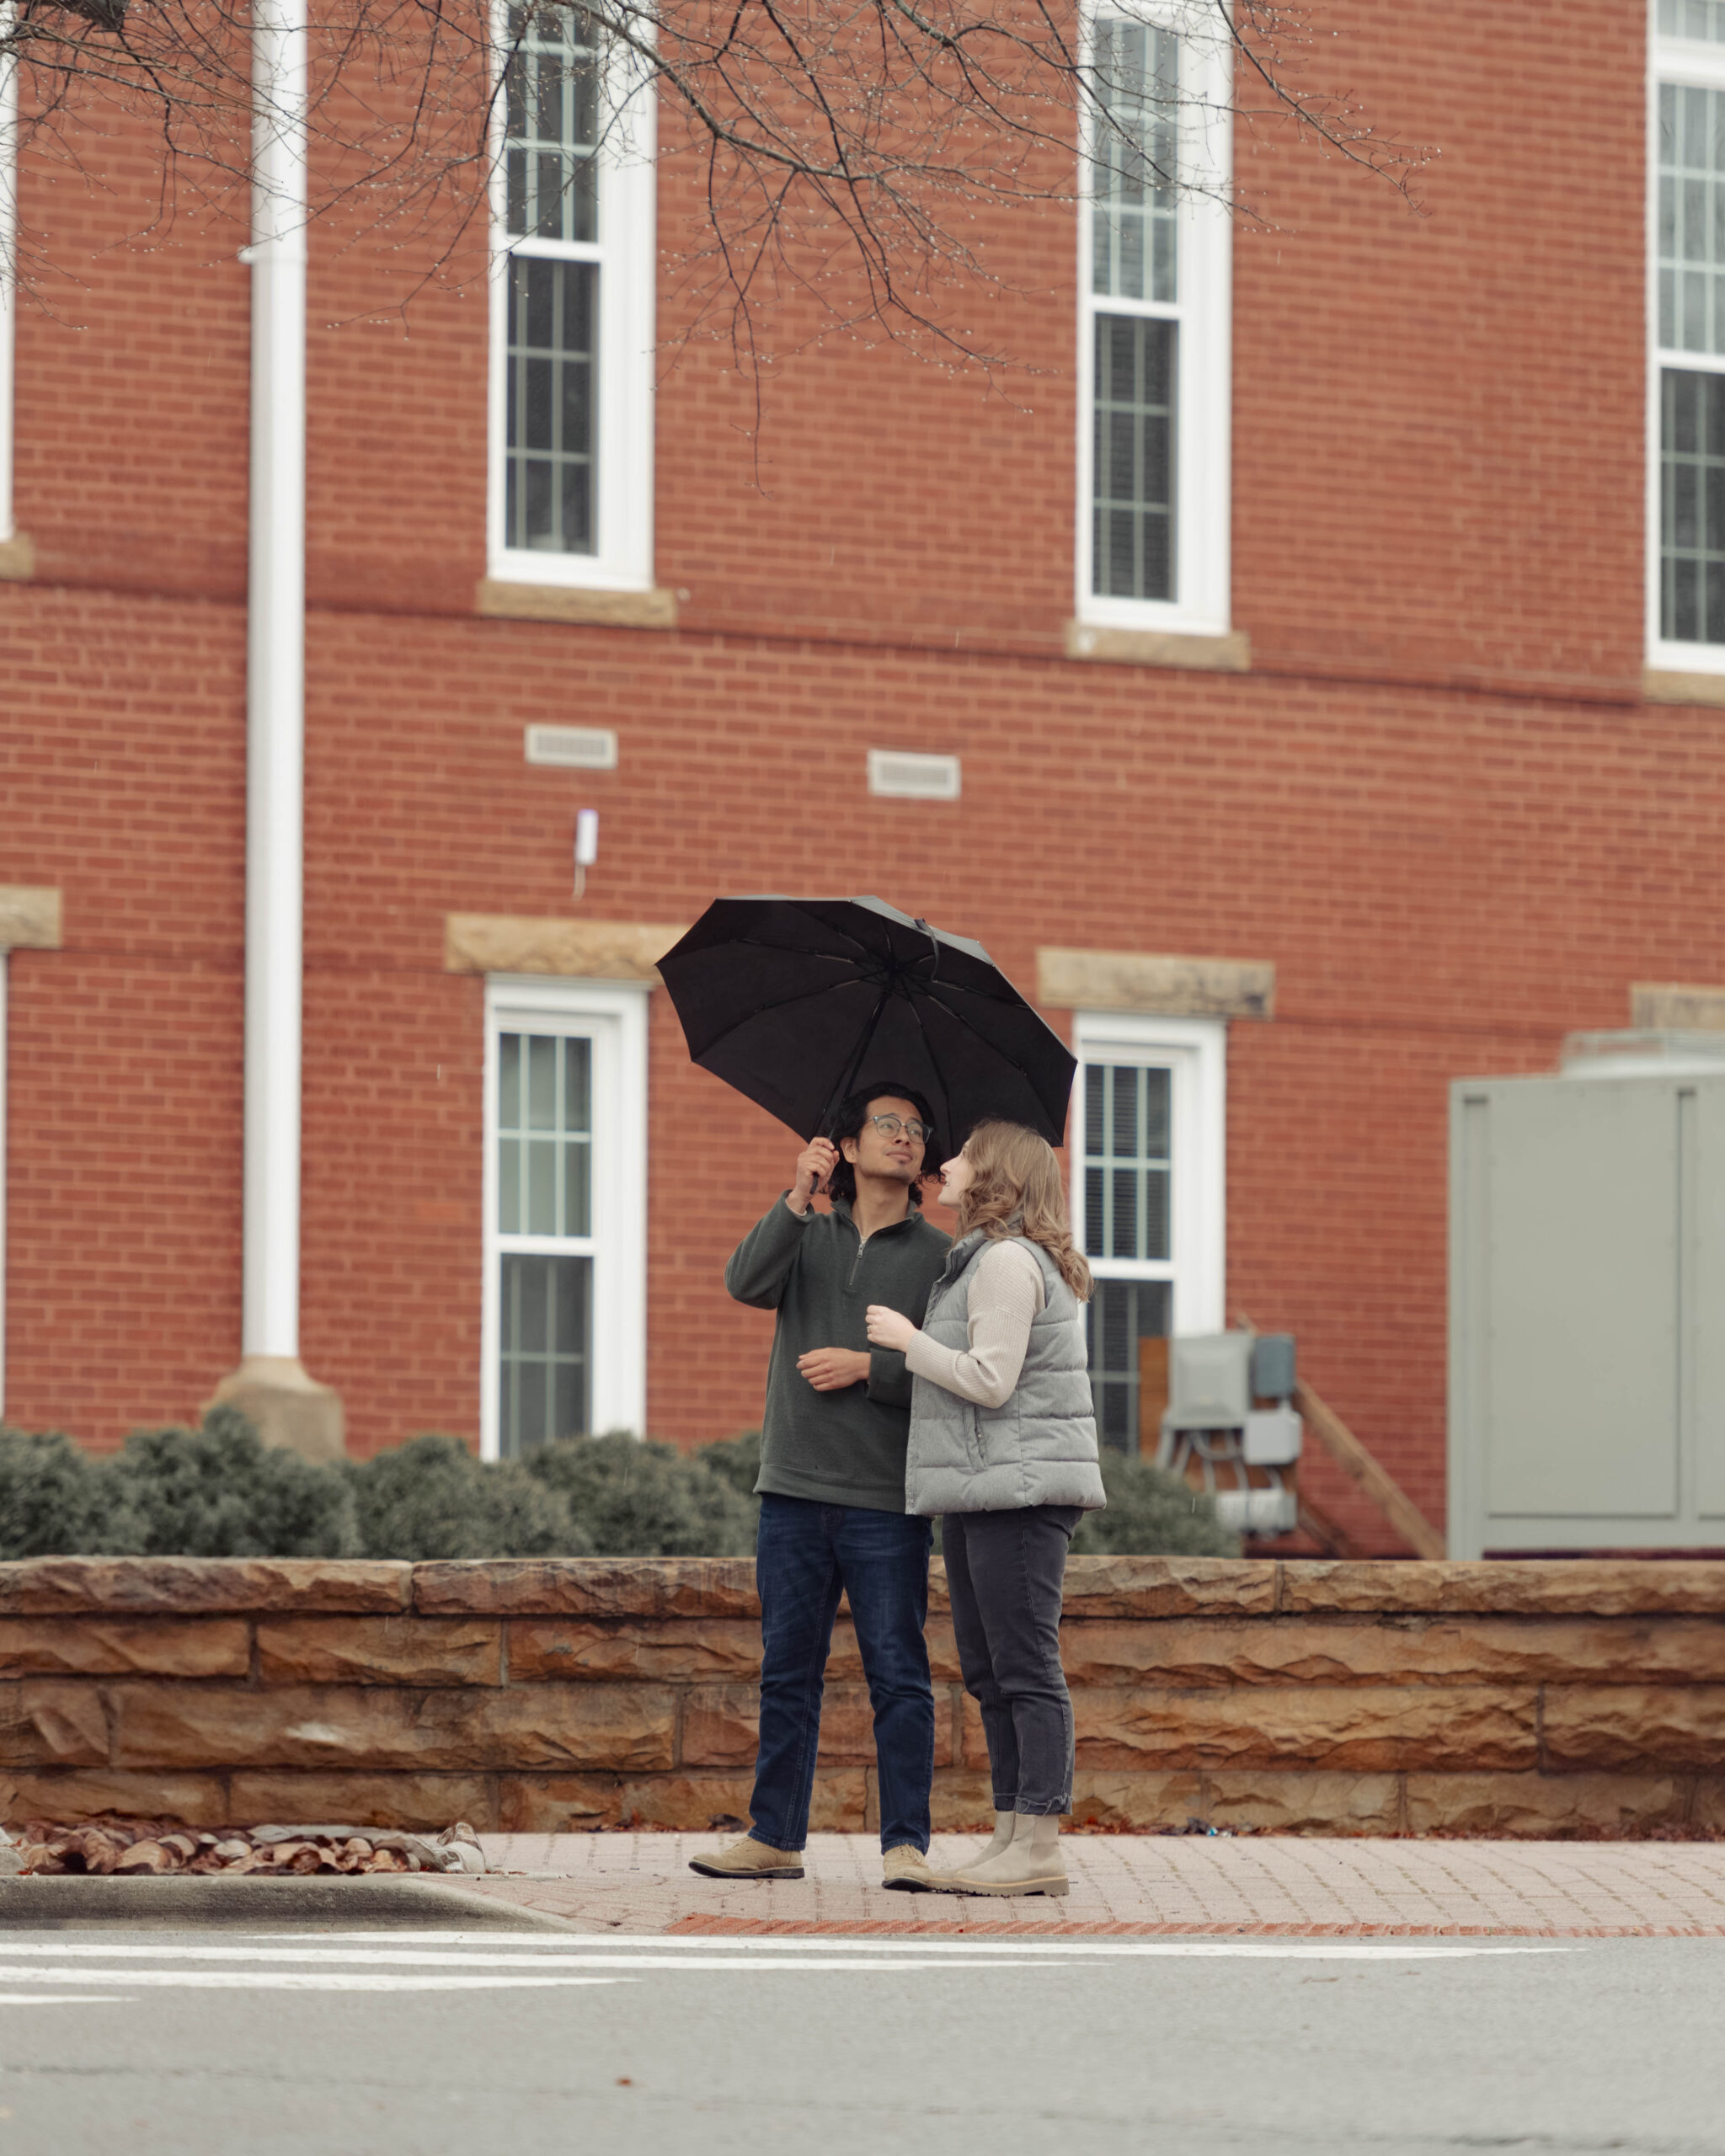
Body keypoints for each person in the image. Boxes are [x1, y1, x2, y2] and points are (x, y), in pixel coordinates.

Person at [689, 1086, 953, 1892]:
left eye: (915, 1129)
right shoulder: (806, 1230)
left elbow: (956, 1378)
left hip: (886, 1501)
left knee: (898, 1676)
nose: (904, 1139)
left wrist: (869, 1369)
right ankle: (774, 1836)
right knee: (787, 1672)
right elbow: (742, 1282)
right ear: (846, 1143)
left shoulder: (941, 1257)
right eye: (887, 1125)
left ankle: (906, 1845)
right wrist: (795, 1197)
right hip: (794, 1490)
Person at [865, 1119, 1105, 1897]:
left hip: (1020, 1494)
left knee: (1026, 1669)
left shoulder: (1006, 1261)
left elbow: (990, 1380)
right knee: (992, 1672)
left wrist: (908, 1341)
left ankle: (1038, 1846)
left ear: (994, 1173)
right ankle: (1011, 1835)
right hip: (982, 1491)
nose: (946, 1163)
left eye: (962, 1155)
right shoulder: (985, 1260)